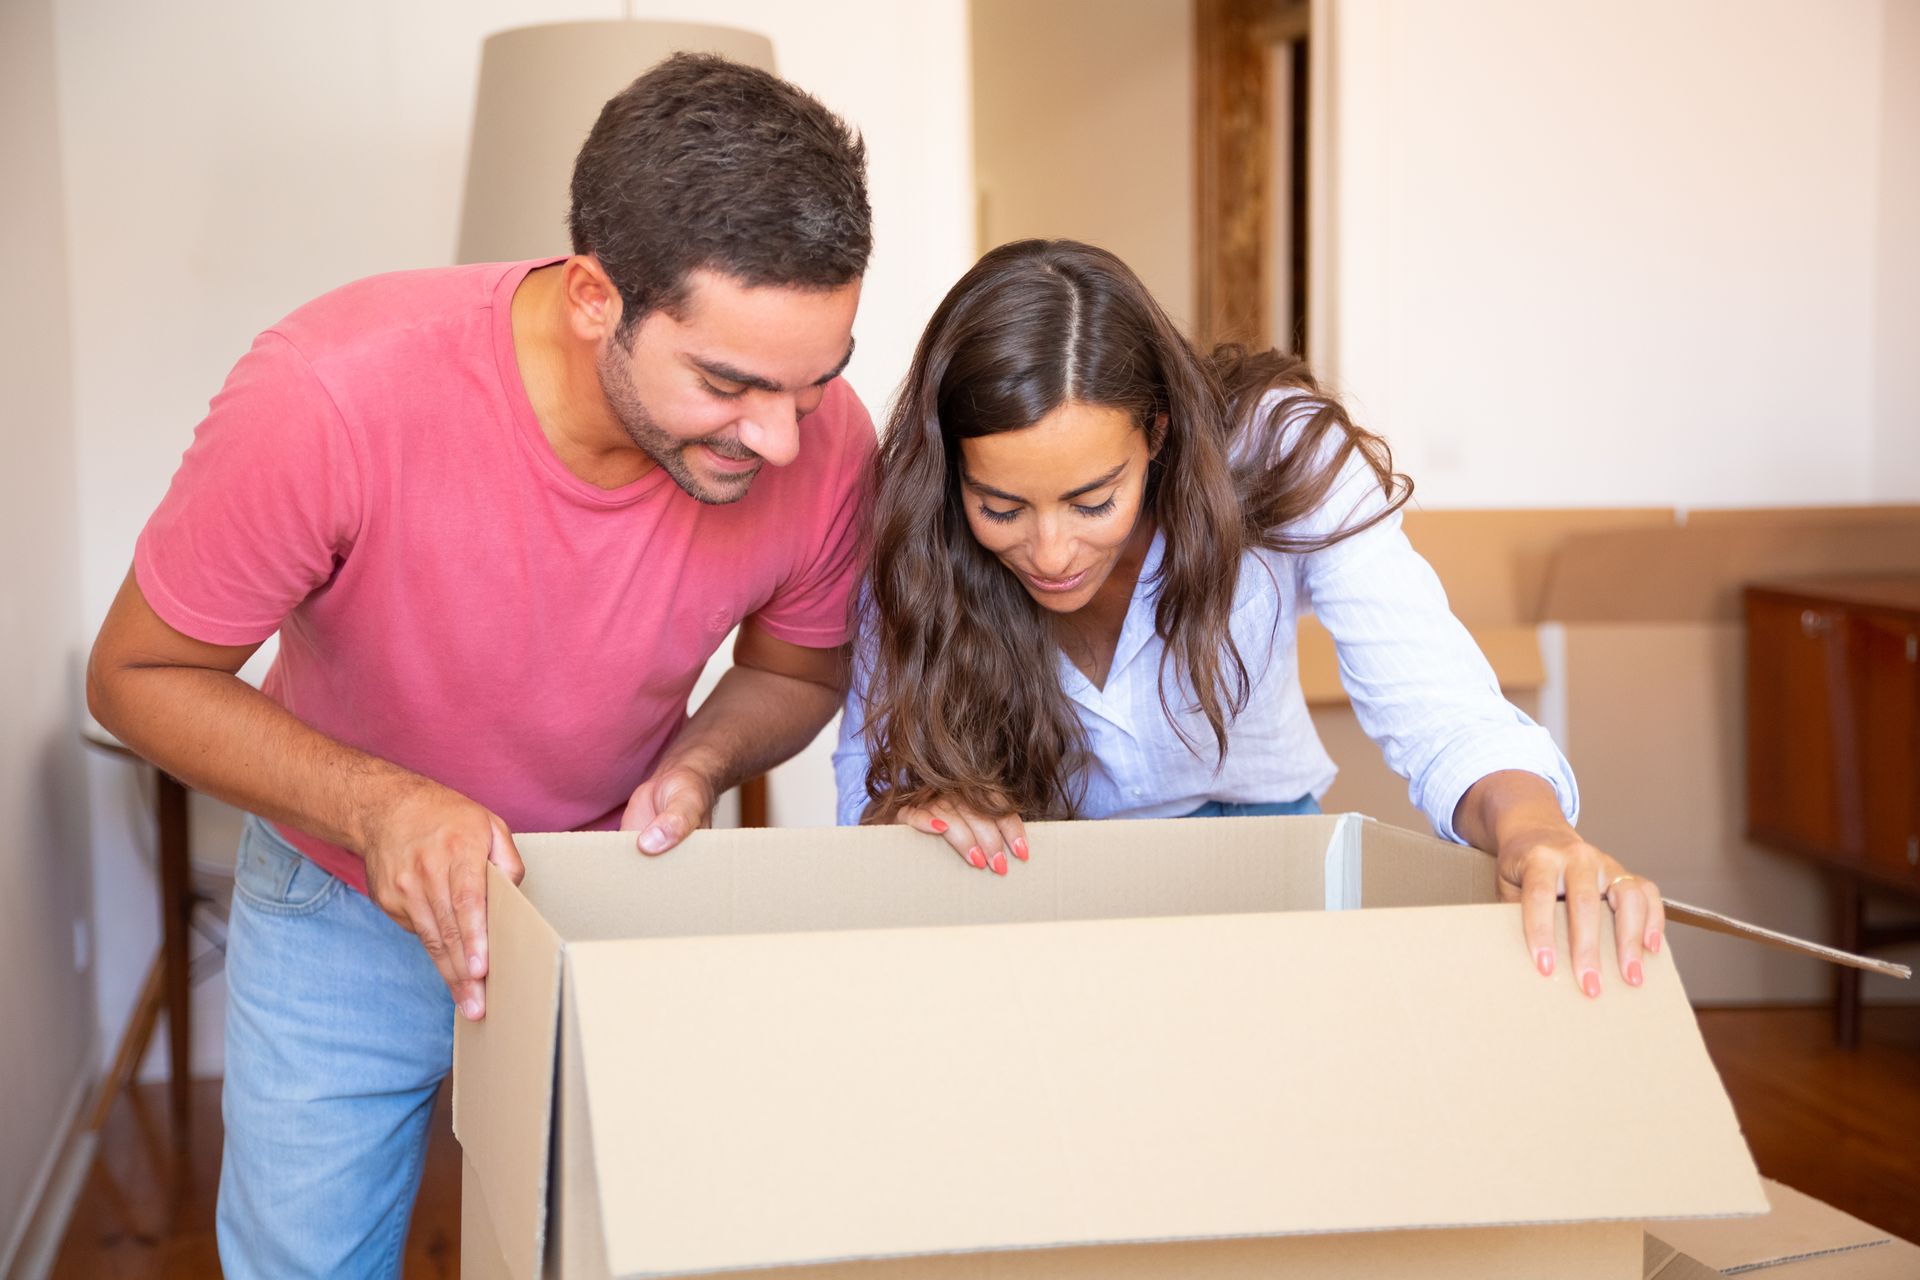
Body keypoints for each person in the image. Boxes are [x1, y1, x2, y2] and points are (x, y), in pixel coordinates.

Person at [86, 54, 875, 1278]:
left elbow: (801, 670)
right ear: (596, 296)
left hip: (601, 895)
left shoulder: (827, 442)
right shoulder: (329, 398)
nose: (780, 439)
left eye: (814, 382)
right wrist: (382, 803)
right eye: (728, 384)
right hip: (340, 893)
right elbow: (135, 673)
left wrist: (701, 758)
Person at [833, 238, 1664, 994]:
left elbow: (1438, 702)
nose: (1051, 552)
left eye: (1094, 500)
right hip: (1041, 870)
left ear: (1156, 432)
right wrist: (910, 811)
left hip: (1264, 852)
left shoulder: (1279, 451)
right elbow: (868, 775)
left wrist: (1530, 827)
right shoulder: (915, 521)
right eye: (1002, 507)